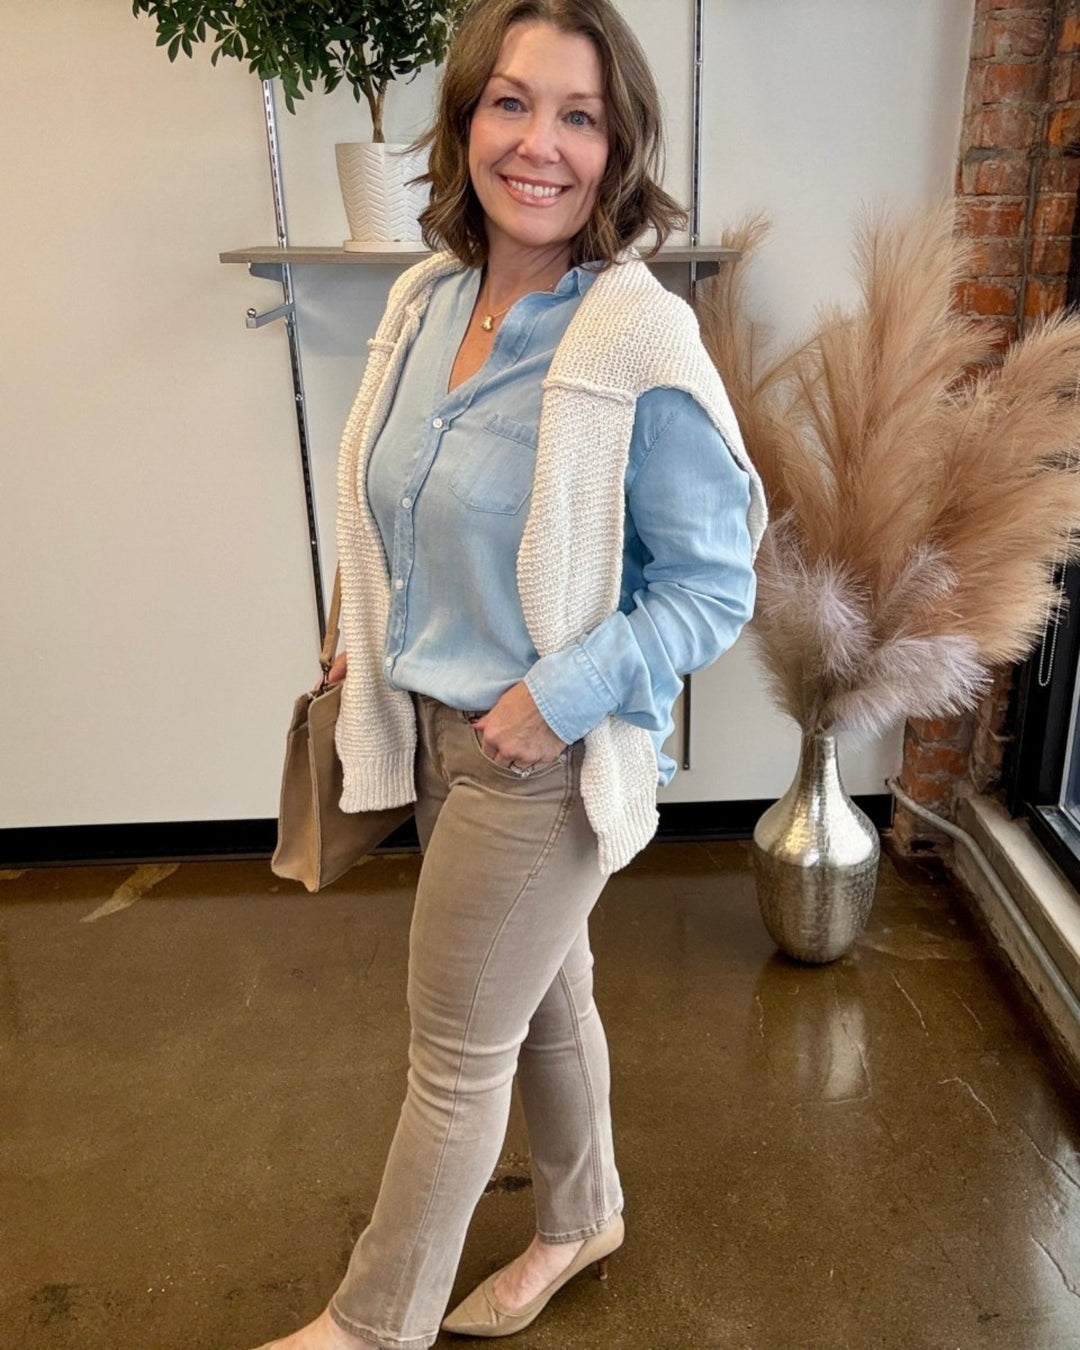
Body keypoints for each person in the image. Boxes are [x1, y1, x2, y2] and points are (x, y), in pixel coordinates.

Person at [254, 1, 765, 1346]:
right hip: (428, 724)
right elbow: (387, 496)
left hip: (537, 756)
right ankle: (582, 1215)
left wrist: (559, 697)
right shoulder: (428, 299)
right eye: (512, 103)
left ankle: (373, 1324)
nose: (540, 143)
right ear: (467, 118)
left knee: (453, 1057)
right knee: (541, 995)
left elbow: (714, 585)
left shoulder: (635, 338)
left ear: (617, 147)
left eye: (578, 116)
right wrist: (354, 625)